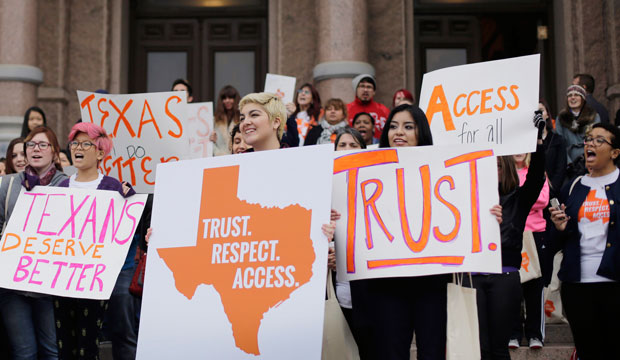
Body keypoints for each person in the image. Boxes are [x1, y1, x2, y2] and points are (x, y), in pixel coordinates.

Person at [349, 104, 502, 360]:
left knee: (432, 352)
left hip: (430, 281)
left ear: (421, 133)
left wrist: (488, 216)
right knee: (391, 352)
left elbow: (465, 210)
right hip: (387, 282)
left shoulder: (443, 170)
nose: (399, 132)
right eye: (394, 126)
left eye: (408, 127)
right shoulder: (366, 172)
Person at [466, 113, 546, 360]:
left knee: (499, 349)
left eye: (499, 165)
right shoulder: (468, 199)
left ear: (508, 167)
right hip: (474, 278)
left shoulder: (519, 200)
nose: (494, 169)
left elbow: (535, 177)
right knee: (480, 348)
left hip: (505, 275)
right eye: (489, 164)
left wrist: (538, 142)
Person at [54, 122, 134, 360]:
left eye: (85, 143)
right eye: (74, 143)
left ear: (100, 152)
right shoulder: (60, 187)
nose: (77, 148)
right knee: (65, 343)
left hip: (94, 279)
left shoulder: (113, 188)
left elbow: (126, 232)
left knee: (88, 344)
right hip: (63, 278)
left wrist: (130, 200)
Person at [549, 123, 620, 360]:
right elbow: (559, 237)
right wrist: (560, 227)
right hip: (577, 283)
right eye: (588, 139)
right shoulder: (575, 185)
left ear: (615, 152)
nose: (590, 143)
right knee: (588, 350)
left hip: (614, 282)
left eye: (599, 140)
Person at [0, 126, 67, 360]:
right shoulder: (7, 185)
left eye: (42, 145)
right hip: (12, 286)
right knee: (24, 353)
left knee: (52, 351)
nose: (35, 149)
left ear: (55, 153)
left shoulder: (68, 187)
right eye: (31, 145)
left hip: (50, 287)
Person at [509, 152, 550, 349]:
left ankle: (535, 334)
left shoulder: (536, 171)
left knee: (535, 285)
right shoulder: (504, 172)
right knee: (512, 285)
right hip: (512, 233)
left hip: (535, 234)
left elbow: (543, 199)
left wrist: (516, 201)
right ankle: (514, 333)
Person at [555, 85, 601, 164]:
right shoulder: (561, 118)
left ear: (582, 99)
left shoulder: (593, 117)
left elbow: (597, 140)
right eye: (570, 95)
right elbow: (560, 144)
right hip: (569, 160)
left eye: (576, 95)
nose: (573, 98)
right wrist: (569, 164)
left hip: (589, 158)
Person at [346, 74, 390, 141]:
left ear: (374, 92)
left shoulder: (384, 110)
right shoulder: (346, 110)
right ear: (355, 90)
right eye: (362, 86)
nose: (365, 90)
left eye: (369, 87)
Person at [539, 100, 566, 200]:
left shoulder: (558, 140)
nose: (539, 114)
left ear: (547, 114)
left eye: (541, 110)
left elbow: (560, 169)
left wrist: (551, 190)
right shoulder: (527, 142)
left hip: (552, 193)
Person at [212, 85, 241, 156]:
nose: (227, 100)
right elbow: (210, 142)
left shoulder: (242, 119)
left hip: (238, 157)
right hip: (218, 159)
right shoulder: (215, 120)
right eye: (224, 98)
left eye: (230, 97)